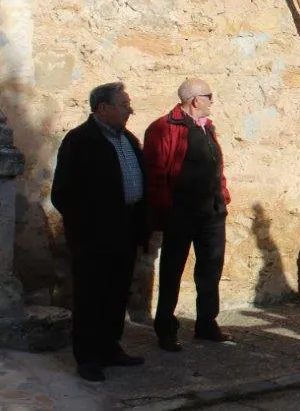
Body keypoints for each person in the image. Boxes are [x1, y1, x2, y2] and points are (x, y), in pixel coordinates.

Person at [52, 82, 148, 382]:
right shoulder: (80, 141)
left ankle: (110, 347)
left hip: (126, 230)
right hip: (93, 236)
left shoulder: (128, 139)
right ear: (103, 108)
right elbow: (62, 193)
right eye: (123, 104)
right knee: (90, 295)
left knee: (117, 293)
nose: (130, 110)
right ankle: (88, 357)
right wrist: (88, 225)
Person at [144, 78, 233, 352]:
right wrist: (165, 209)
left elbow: (215, 166)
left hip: (211, 213)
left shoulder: (206, 127)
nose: (212, 101)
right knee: (172, 272)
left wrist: (223, 195)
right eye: (209, 96)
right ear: (195, 100)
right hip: (180, 213)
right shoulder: (163, 128)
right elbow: (155, 173)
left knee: (211, 269)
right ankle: (166, 330)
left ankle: (206, 323)